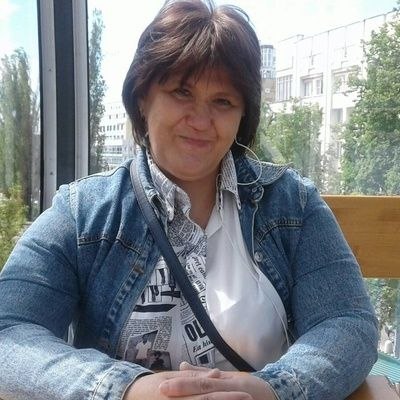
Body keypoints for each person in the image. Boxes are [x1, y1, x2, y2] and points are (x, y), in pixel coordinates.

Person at [0, 0, 378, 399]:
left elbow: (348, 322)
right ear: (142, 98)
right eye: (182, 92)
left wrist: (272, 390)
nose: (200, 121)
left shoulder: (292, 205)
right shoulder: (84, 214)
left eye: (223, 102)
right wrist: (126, 390)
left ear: (242, 115)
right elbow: (9, 329)